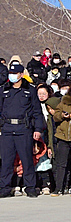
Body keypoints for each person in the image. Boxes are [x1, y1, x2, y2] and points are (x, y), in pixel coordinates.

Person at [0, 62, 46, 198]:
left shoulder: (30, 90)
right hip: (7, 129)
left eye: (15, 73)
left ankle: (30, 187)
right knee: (7, 161)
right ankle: (5, 187)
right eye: (10, 73)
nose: (12, 76)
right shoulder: (3, 90)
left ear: (21, 75)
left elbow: (37, 112)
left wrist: (38, 129)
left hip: (23, 128)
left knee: (27, 159)